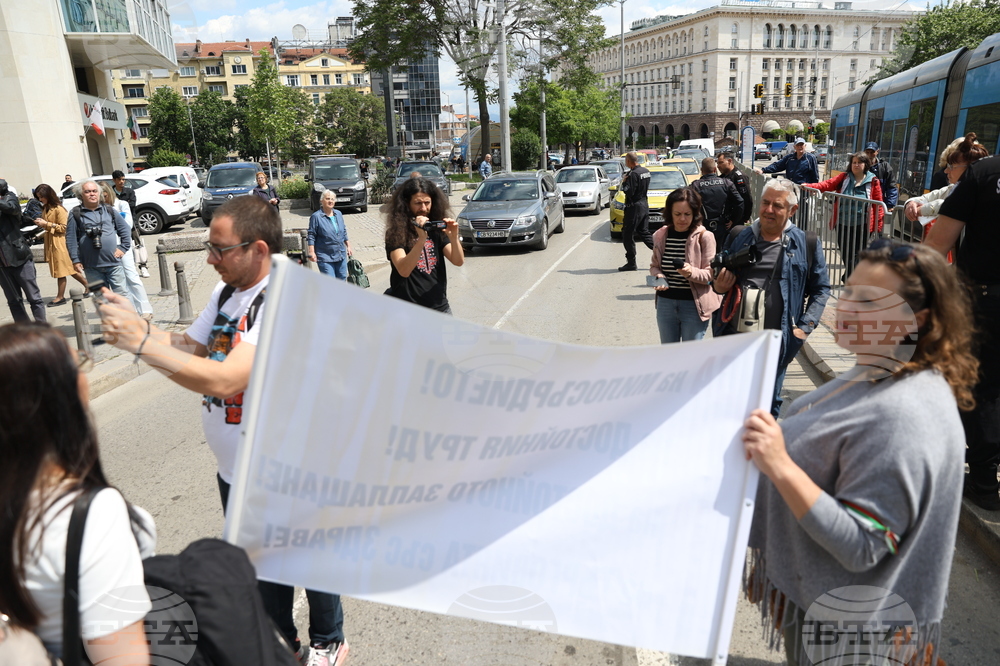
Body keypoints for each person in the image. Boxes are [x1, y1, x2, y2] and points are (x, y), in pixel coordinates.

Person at [96, 196, 350, 664]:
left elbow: (227, 377)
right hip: (237, 472)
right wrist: (142, 331)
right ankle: (282, 644)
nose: (209, 259)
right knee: (261, 570)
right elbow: (192, 348)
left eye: (218, 248)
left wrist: (140, 345)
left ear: (256, 249)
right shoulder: (228, 293)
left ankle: (328, 642)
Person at [742, 241, 976, 665]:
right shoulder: (875, 368)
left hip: (853, 635)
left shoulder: (902, 414)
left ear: (917, 319)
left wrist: (779, 463)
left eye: (868, 301)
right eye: (847, 291)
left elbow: (863, 544)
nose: (844, 308)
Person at [0, 321, 156, 663]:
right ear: (56, 396)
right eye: (79, 363)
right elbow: (123, 658)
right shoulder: (90, 514)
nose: (87, 369)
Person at [712, 178, 830, 417]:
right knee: (732, 403)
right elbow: (717, 277)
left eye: (777, 205)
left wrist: (804, 328)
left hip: (778, 341)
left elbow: (821, 288)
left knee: (767, 406)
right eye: (765, 203)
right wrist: (718, 286)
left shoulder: (806, 243)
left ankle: (760, 453)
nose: (768, 210)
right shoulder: (739, 235)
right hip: (735, 337)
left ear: (792, 210)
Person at [925, 143, 1000, 511]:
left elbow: (939, 244)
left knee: (981, 384)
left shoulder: (984, 174)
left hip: (985, 298)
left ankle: (985, 481)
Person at [649, 187, 721, 342]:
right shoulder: (661, 235)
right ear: (670, 213)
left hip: (694, 306)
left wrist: (691, 273)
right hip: (665, 304)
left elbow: (711, 274)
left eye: (687, 214)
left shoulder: (705, 237)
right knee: (669, 356)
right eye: (677, 214)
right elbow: (654, 266)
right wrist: (659, 276)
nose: (682, 219)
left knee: (690, 357)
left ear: (695, 214)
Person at [384, 177, 464, 313]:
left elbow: (458, 261)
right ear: (406, 203)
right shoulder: (396, 232)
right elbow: (404, 270)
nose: (423, 208)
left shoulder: (437, 228)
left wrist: (453, 238)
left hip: (439, 306)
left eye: (427, 203)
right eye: (417, 203)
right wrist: (421, 239)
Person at [905, 134, 988, 260]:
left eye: (952, 167)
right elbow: (928, 197)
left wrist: (920, 210)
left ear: (970, 169)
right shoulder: (953, 188)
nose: (946, 171)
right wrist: (911, 203)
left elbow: (949, 205)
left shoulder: (983, 192)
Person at [803, 151, 884, 280]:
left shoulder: (873, 181)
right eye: (854, 162)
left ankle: (851, 277)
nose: (856, 165)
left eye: (859, 162)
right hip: (842, 222)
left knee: (858, 253)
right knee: (845, 252)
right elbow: (827, 184)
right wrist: (809, 186)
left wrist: (878, 227)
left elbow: (879, 205)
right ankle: (851, 275)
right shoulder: (844, 178)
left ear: (866, 164)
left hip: (862, 224)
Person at [65, 180, 130, 297]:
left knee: (122, 296)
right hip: (91, 267)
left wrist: (123, 247)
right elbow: (71, 238)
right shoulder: (75, 213)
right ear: (81, 195)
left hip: (113, 263)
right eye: (88, 191)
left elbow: (124, 229)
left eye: (94, 191)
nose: (92, 194)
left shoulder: (109, 210)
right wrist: (75, 259)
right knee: (102, 300)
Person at [99, 182, 153, 320]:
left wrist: (113, 217)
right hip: (106, 248)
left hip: (122, 245)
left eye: (104, 196)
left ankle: (145, 309)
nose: (102, 199)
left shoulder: (121, 204)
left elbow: (127, 224)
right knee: (118, 281)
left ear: (109, 193)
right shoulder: (98, 208)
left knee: (131, 276)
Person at [30, 184, 88, 306]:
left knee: (61, 270)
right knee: (69, 269)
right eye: (39, 197)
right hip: (51, 241)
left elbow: (64, 228)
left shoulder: (59, 209)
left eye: (42, 197)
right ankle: (89, 286)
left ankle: (60, 296)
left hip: (60, 242)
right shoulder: (46, 208)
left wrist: (46, 224)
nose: (40, 200)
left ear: (48, 195)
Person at [0, 178, 46, 322]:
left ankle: (41, 329)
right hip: (2, 265)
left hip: (19, 257)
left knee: (34, 297)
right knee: (14, 300)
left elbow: (13, 208)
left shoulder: (9, 198)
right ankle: (25, 333)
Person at [691, 157, 744, 251]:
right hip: (723, 225)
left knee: (704, 253)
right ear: (715, 169)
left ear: (702, 170)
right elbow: (740, 202)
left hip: (702, 226)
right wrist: (734, 220)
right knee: (722, 253)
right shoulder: (726, 183)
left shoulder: (695, 186)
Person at [308, 189, 353, 279]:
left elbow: (343, 231)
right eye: (328, 199)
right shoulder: (316, 217)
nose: (330, 201)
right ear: (322, 200)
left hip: (340, 253)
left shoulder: (338, 214)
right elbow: (311, 235)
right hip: (325, 256)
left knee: (342, 280)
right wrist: (312, 252)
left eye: (332, 199)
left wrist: (348, 245)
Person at [619, 152, 652, 272]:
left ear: (628, 161)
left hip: (634, 207)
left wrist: (624, 182)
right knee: (644, 232)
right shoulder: (645, 171)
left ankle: (631, 262)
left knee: (627, 234)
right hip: (644, 204)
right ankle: (664, 254)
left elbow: (629, 192)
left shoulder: (633, 174)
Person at [754, 137, 819, 185]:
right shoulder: (789, 158)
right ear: (794, 147)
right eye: (798, 145)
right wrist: (763, 170)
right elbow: (777, 166)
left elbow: (815, 174)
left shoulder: (810, 158)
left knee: (801, 203)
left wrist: (814, 186)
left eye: (801, 145)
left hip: (803, 188)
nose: (800, 147)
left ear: (805, 146)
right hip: (790, 187)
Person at [715, 152, 753, 226]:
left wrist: (742, 217)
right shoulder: (722, 178)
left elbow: (746, 198)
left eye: (721, 163)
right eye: (717, 163)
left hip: (736, 219)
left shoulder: (739, 177)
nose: (718, 166)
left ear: (729, 161)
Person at [864, 141, 898, 209]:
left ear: (877, 152)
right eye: (867, 152)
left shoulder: (885, 167)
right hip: (863, 203)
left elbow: (891, 186)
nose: (869, 155)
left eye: (872, 152)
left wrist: (890, 205)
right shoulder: (860, 165)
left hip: (879, 204)